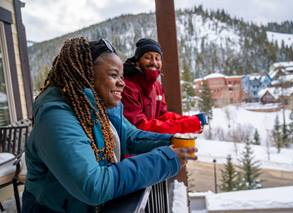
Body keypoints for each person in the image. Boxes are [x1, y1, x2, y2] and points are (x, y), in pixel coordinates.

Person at [22, 37, 195, 212]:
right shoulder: (55, 118)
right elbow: (94, 185)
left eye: (121, 76)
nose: (122, 83)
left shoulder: (99, 106)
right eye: (113, 75)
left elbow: (130, 136)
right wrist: (165, 159)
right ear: (86, 74)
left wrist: (171, 141)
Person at [122, 38, 207, 134]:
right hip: (135, 146)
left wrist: (190, 120)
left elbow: (162, 116)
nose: (154, 62)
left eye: (157, 58)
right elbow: (139, 126)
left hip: (151, 141)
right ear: (137, 62)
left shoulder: (157, 86)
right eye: (148, 57)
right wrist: (186, 125)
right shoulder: (128, 87)